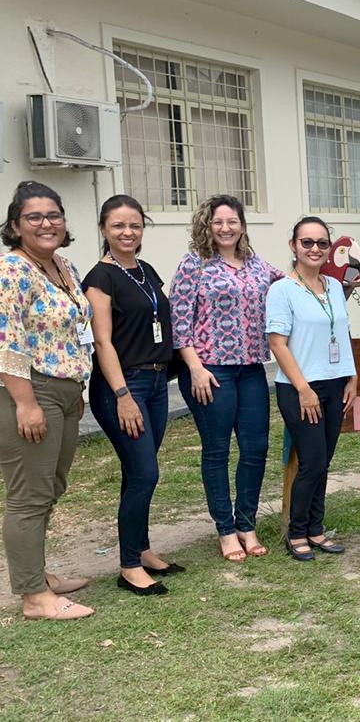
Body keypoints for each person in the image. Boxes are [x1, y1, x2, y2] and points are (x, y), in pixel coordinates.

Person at [0, 182, 94, 620]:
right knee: (28, 495)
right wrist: (25, 403)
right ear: (16, 226)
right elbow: (7, 341)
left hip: (64, 389)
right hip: (29, 390)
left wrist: (76, 387)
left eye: (53, 215)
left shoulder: (62, 265)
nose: (46, 224)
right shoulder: (12, 270)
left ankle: (39, 574)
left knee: (52, 485)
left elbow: (73, 331)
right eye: (34, 217)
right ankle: (34, 597)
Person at [170, 195, 282, 562]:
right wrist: (195, 368)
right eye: (218, 221)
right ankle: (225, 529)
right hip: (210, 371)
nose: (225, 228)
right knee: (216, 451)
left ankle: (246, 523)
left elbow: (291, 287)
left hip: (251, 369)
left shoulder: (256, 265)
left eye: (232, 221)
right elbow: (179, 322)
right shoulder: (194, 264)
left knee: (255, 448)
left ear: (242, 225)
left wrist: (336, 282)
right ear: (207, 224)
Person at [84, 195, 183, 595]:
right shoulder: (100, 277)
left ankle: (140, 549)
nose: (128, 232)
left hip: (157, 384)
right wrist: (122, 394)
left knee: (137, 471)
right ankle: (128, 567)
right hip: (123, 387)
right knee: (145, 472)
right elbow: (102, 342)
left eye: (135, 225)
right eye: (119, 226)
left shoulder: (145, 270)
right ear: (104, 229)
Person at [266, 216, 357, 561]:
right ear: (294, 246)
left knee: (325, 460)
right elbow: (277, 344)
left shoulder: (333, 286)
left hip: (335, 383)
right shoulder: (282, 290)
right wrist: (304, 389)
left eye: (322, 243)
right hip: (299, 387)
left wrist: (353, 376)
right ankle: (297, 532)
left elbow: (341, 332)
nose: (315, 249)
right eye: (307, 242)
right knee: (311, 460)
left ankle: (316, 530)